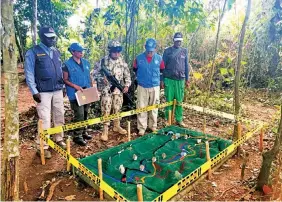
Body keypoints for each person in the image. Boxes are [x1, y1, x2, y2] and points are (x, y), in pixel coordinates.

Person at [24, 26, 66, 159]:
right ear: (42, 37)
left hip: (58, 89)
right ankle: (43, 146)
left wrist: (63, 86)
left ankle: (59, 138)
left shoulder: (56, 51)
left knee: (60, 115)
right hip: (43, 92)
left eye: (53, 37)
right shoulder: (33, 52)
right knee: (45, 119)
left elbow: (59, 69)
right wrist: (34, 90)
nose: (52, 40)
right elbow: (29, 72)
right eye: (49, 37)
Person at [93, 40, 131, 141]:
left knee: (117, 108)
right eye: (114, 51)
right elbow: (95, 73)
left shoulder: (122, 62)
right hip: (107, 90)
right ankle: (105, 131)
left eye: (118, 51)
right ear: (110, 51)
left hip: (118, 90)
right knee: (106, 109)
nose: (117, 53)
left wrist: (126, 86)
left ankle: (116, 126)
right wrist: (102, 79)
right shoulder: (103, 61)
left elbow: (127, 75)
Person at [62, 43, 93, 146]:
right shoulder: (67, 64)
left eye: (82, 51)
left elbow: (89, 76)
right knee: (79, 114)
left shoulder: (86, 62)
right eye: (79, 51)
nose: (81, 53)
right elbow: (65, 79)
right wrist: (74, 86)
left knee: (85, 112)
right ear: (72, 52)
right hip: (75, 93)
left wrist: (92, 88)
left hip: (86, 91)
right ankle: (77, 136)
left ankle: (84, 131)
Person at [133, 38, 165, 136]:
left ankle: (153, 126)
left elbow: (162, 70)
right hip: (142, 86)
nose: (150, 52)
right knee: (141, 107)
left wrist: (160, 82)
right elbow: (134, 69)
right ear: (145, 48)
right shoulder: (138, 58)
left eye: (152, 50)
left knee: (154, 107)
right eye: (148, 50)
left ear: (155, 49)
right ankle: (142, 128)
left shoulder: (159, 58)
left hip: (155, 86)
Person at [162, 32, 189, 127]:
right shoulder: (167, 51)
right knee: (168, 100)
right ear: (173, 40)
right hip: (169, 79)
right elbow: (162, 66)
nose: (178, 42)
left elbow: (186, 66)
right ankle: (168, 119)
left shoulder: (184, 51)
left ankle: (179, 119)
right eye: (177, 40)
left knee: (179, 101)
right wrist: (162, 79)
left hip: (180, 80)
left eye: (180, 41)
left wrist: (187, 79)